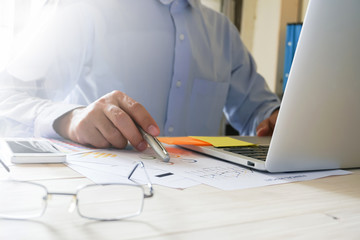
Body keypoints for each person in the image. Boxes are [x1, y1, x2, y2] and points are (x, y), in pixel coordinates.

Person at [0, 0, 280, 151]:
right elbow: (7, 97)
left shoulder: (222, 31)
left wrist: (275, 120)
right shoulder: (80, 9)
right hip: (100, 205)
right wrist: (69, 119)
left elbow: (258, 113)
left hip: (206, 207)